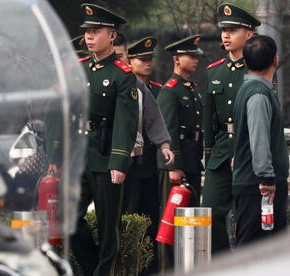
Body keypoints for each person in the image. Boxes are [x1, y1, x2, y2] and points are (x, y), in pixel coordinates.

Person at [70, 3, 139, 275]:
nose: (89, 36)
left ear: (111, 35)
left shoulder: (122, 75)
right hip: (80, 154)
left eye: (96, 31)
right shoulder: (79, 68)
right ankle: (92, 268)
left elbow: (126, 121)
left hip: (106, 152)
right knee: (69, 220)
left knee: (108, 224)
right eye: (87, 31)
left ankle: (104, 271)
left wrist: (119, 163)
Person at [202, 3, 260, 254]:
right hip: (221, 154)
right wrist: (208, 154)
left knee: (249, 218)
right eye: (224, 29)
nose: (225, 35)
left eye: (233, 30)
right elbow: (208, 119)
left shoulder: (259, 69)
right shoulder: (214, 72)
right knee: (211, 212)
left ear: (249, 34)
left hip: (248, 152)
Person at [232, 35, 288, 247]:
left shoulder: (250, 90)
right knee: (254, 251)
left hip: (254, 184)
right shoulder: (258, 94)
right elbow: (259, 138)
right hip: (260, 188)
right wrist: (267, 178)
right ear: (275, 59)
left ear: (245, 63)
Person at [125, 36, 174, 275]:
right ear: (129, 60)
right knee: (130, 217)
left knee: (151, 218)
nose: (147, 64)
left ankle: (149, 268)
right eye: (141, 59)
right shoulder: (124, 85)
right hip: (129, 162)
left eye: (149, 60)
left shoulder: (153, 90)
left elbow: (156, 122)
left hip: (149, 165)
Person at [156, 34, 204, 272]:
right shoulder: (170, 91)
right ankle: (167, 269)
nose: (195, 60)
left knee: (189, 220)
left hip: (192, 160)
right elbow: (168, 131)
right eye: (190, 56)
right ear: (176, 59)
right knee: (171, 221)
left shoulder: (191, 89)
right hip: (176, 165)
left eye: (196, 56)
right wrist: (172, 166)